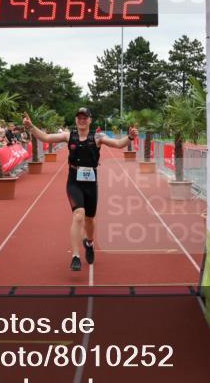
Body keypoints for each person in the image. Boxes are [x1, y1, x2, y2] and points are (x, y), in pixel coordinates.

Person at [23, 107, 137, 271]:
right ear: (76, 120)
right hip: (74, 181)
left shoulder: (97, 137)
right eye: (79, 117)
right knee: (78, 215)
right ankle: (75, 256)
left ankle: (89, 243)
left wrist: (130, 137)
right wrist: (30, 127)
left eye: (85, 117)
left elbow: (119, 144)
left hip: (91, 182)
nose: (82, 120)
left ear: (90, 120)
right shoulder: (69, 136)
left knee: (90, 219)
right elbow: (46, 138)